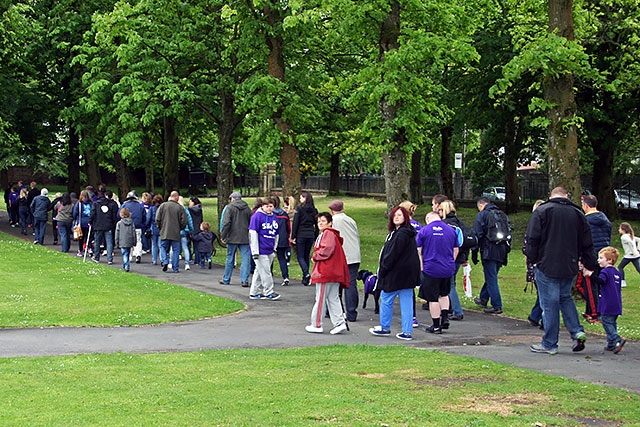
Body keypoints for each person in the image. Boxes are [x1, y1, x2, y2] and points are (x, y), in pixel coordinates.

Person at [526, 186, 596, 355]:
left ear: (550, 196)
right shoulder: (578, 213)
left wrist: (533, 260)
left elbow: (532, 238)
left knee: (549, 304)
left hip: (546, 263)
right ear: (567, 196)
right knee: (565, 298)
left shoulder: (542, 211)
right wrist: (589, 263)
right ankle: (576, 331)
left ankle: (550, 342)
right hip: (569, 263)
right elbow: (587, 241)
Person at [369, 206, 421, 340]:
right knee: (406, 302)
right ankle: (407, 331)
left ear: (405, 217)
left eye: (399, 215)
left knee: (386, 298)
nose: (396, 217)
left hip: (396, 274)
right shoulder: (405, 233)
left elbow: (392, 255)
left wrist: (384, 269)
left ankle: (385, 327)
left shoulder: (401, 234)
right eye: (394, 215)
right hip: (407, 274)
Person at [305, 212, 350, 334]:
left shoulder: (328, 234)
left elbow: (326, 250)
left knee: (320, 298)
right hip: (333, 272)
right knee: (333, 298)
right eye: (319, 221)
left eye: (323, 221)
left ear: (330, 223)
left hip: (326, 272)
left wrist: (315, 256)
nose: (320, 224)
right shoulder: (331, 234)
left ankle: (317, 324)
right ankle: (339, 322)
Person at [417, 211, 459, 334]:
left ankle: (436, 326)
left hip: (431, 268)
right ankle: (445, 317)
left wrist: (421, 266)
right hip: (447, 268)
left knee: (433, 298)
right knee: (444, 294)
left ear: (428, 218)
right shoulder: (451, 230)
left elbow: (419, 250)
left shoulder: (424, 231)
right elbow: (455, 249)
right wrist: (451, 262)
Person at [583, 247, 626, 354]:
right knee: (612, 322)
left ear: (610, 260)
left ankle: (616, 339)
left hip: (607, 303)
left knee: (606, 322)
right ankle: (611, 343)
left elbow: (600, 281)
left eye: (601, 258)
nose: (598, 260)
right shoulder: (617, 273)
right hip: (616, 303)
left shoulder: (605, 272)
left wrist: (590, 274)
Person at [472, 197, 509, 314]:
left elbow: (478, 234)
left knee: (491, 277)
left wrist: (474, 252)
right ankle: (483, 298)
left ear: (481, 205)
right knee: (491, 275)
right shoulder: (502, 214)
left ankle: (497, 305)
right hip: (502, 249)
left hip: (489, 250)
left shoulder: (483, 215)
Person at [578, 194, 612, 320]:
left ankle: (594, 313)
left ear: (586, 205)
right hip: (603, 254)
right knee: (596, 284)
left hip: (590, 255)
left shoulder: (585, 221)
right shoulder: (605, 219)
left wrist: (581, 257)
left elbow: (582, 240)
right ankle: (592, 310)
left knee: (588, 284)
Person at [328, 199, 361, 322]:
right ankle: (352, 312)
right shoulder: (350, 220)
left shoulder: (334, 221)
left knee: (336, 283)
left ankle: (333, 310)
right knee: (351, 283)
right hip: (354, 254)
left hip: (342, 256)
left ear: (331, 211)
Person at [438, 200, 470, 321]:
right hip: (459, 257)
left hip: (449, 258)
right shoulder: (459, 223)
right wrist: (465, 258)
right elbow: (464, 242)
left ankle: (457, 310)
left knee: (449, 284)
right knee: (451, 283)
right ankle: (449, 307)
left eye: (440, 210)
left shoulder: (445, 225)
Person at [248, 197, 280, 300]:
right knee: (266, 271)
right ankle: (268, 291)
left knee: (259, 271)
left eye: (271, 206)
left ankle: (254, 291)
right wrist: (255, 251)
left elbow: (276, 234)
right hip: (260, 249)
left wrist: (274, 247)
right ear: (262, 206)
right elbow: (253, 234)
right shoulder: (257, 217)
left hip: (269, 248)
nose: (269, 208)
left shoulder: (275, 218)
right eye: (267, 206)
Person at [220, 192, 252, 286]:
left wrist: (223, 235)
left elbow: (226, 223)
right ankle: (244, 280)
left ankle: (226, 279)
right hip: (244, 236)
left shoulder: (229, 208)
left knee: (230, 257)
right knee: (246, 258)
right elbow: (251, 222)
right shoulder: (247, 208)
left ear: (232, 198)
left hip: (232, 236)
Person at [524, 200, 546, 329]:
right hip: (538, 264)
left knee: (542, 294)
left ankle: (535, 316)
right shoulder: (536, 228)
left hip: (535, 263)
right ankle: (542, 318)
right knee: (544, 294)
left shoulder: (534, 227)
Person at [155, 191, 188, 273]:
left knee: (162, 247)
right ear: (177, 197)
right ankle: (175, 267)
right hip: (175, 232)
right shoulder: (179, 208)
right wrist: (180, 228)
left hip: (164, 231)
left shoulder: (163, 206)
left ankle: (165, 261)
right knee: (176, 250)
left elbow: (157, 219)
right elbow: (184, 220)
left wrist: (160, 227)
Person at [291, 191, 318, 285]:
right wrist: (316, 236)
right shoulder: (314, 210)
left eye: (302, 198)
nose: (300, 199)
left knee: (300, 256)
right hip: (310, 234)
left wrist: (293, 236)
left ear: (305, 199)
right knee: (306, 255)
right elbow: (317, 225)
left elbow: (295, 223)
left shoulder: (299, 209)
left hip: (301, 234)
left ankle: (306, 273)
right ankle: (305, 278)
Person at [89, 190, 118, 264]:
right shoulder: (111, 204)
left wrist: (90, 221)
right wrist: (112, 223)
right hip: (108, 224)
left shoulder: (96, 204)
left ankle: (96, 257)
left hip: (98, 225)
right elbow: (114, 215)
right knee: (109, 242)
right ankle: (109, 258)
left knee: (97, 242)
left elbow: (92, 213)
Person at [119, 191, 146, 264]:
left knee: (128, 241)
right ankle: (138, 254)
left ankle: (129, 256)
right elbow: (144, 216)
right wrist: (142, 223)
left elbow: (119, 214)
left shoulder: (124, 205)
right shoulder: (140, 206)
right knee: (138, 240)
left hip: (126, 227)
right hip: (137, 226)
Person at [273, 196, 292, 286]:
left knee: (269, 259)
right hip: (283, 239)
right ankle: (285, 277)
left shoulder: (270, 215)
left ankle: (269, 275)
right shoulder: (284, 214)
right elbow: (288, 228)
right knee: (282, 258)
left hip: (272, 239)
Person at [617, 222, 640, 288]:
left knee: (620, 267)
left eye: (620, 228)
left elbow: (630, 243)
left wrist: (633, 251)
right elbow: (639, 240)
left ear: (623, 229)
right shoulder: (630, 235)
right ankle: (623, 281)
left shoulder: (623, 237)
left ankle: (623, 282)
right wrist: (638, 249)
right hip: (635, 255)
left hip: (629, 256)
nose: (619, 230)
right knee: (638, 268)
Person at [115, 207, 137, 272]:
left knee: (124, 254)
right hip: (129, 240)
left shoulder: (119, 223)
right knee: (127, 253)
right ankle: (126, 265)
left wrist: (116, 242)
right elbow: (133, 232)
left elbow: (117, 233)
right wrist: (134, 241)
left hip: (122, 240)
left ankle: (126, 265)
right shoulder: (131, 223)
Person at [73, 190, 93, 257]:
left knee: (81, 237)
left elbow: (75, 213)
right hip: (89, 222)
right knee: (89, 236)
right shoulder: (91, 203)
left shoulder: (79, 203)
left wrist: (75, 219)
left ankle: (80, 250)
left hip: (81, 222)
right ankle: (89, 248)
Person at [178, 196, 194, 271]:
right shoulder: (185, 210)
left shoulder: (174, 209)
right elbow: (189, 220)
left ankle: (172, 262)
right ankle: (187, 263)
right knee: (185, 247)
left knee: (174, 248)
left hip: (175, 231)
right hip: (184, 230)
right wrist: (191, 231)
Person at [148, 194, 164, 265]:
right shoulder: (163, 208)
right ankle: (162, 259)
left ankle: (154, 260)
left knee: (154, 245)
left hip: (153, 228)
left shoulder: (151, 209)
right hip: (161, 228)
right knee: (161, 245)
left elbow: (148, 219)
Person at [188, 196, 204, 266]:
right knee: (197, 246)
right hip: (198, 228)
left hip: (192, 228)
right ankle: (198, 260)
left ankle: (190, 258)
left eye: (190, 202)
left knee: (188, 244)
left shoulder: (190, 210)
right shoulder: (200, 209)